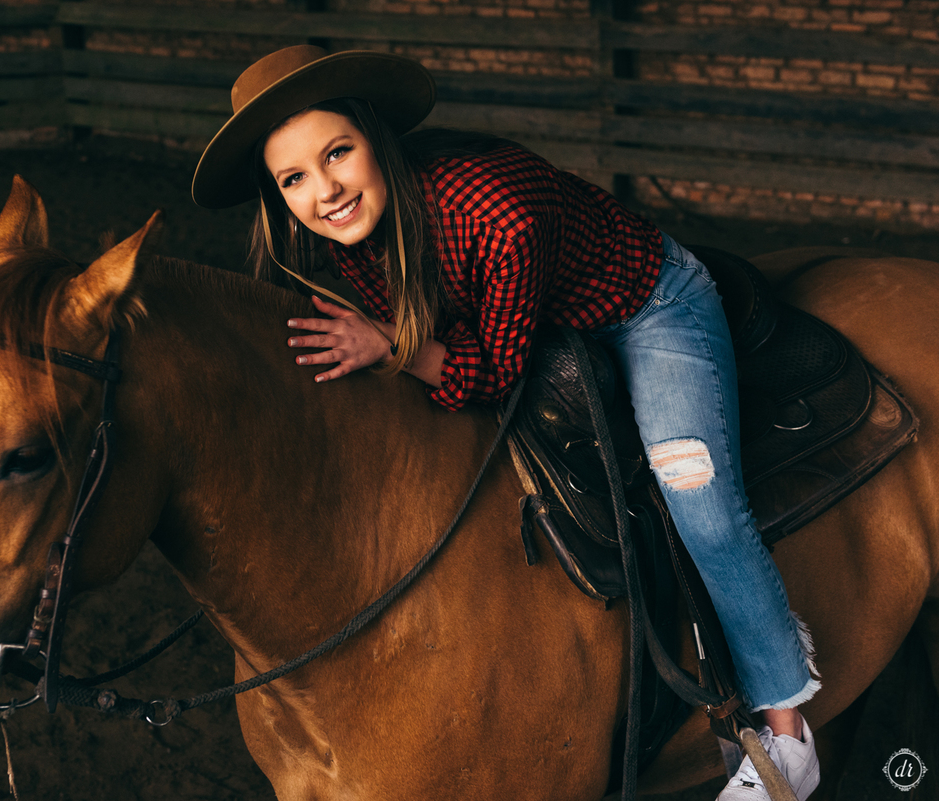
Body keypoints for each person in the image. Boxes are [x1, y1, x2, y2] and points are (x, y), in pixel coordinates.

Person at [192, 44, 822, 801]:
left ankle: (787, 729)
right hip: (528, 317)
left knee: (697, 497)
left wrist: (392, 345)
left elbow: (490, 370)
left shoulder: (497, 210)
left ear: (374, 139)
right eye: (294, 178)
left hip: (645, 309)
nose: (324, 191)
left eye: (338, 154)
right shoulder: (342, 238)